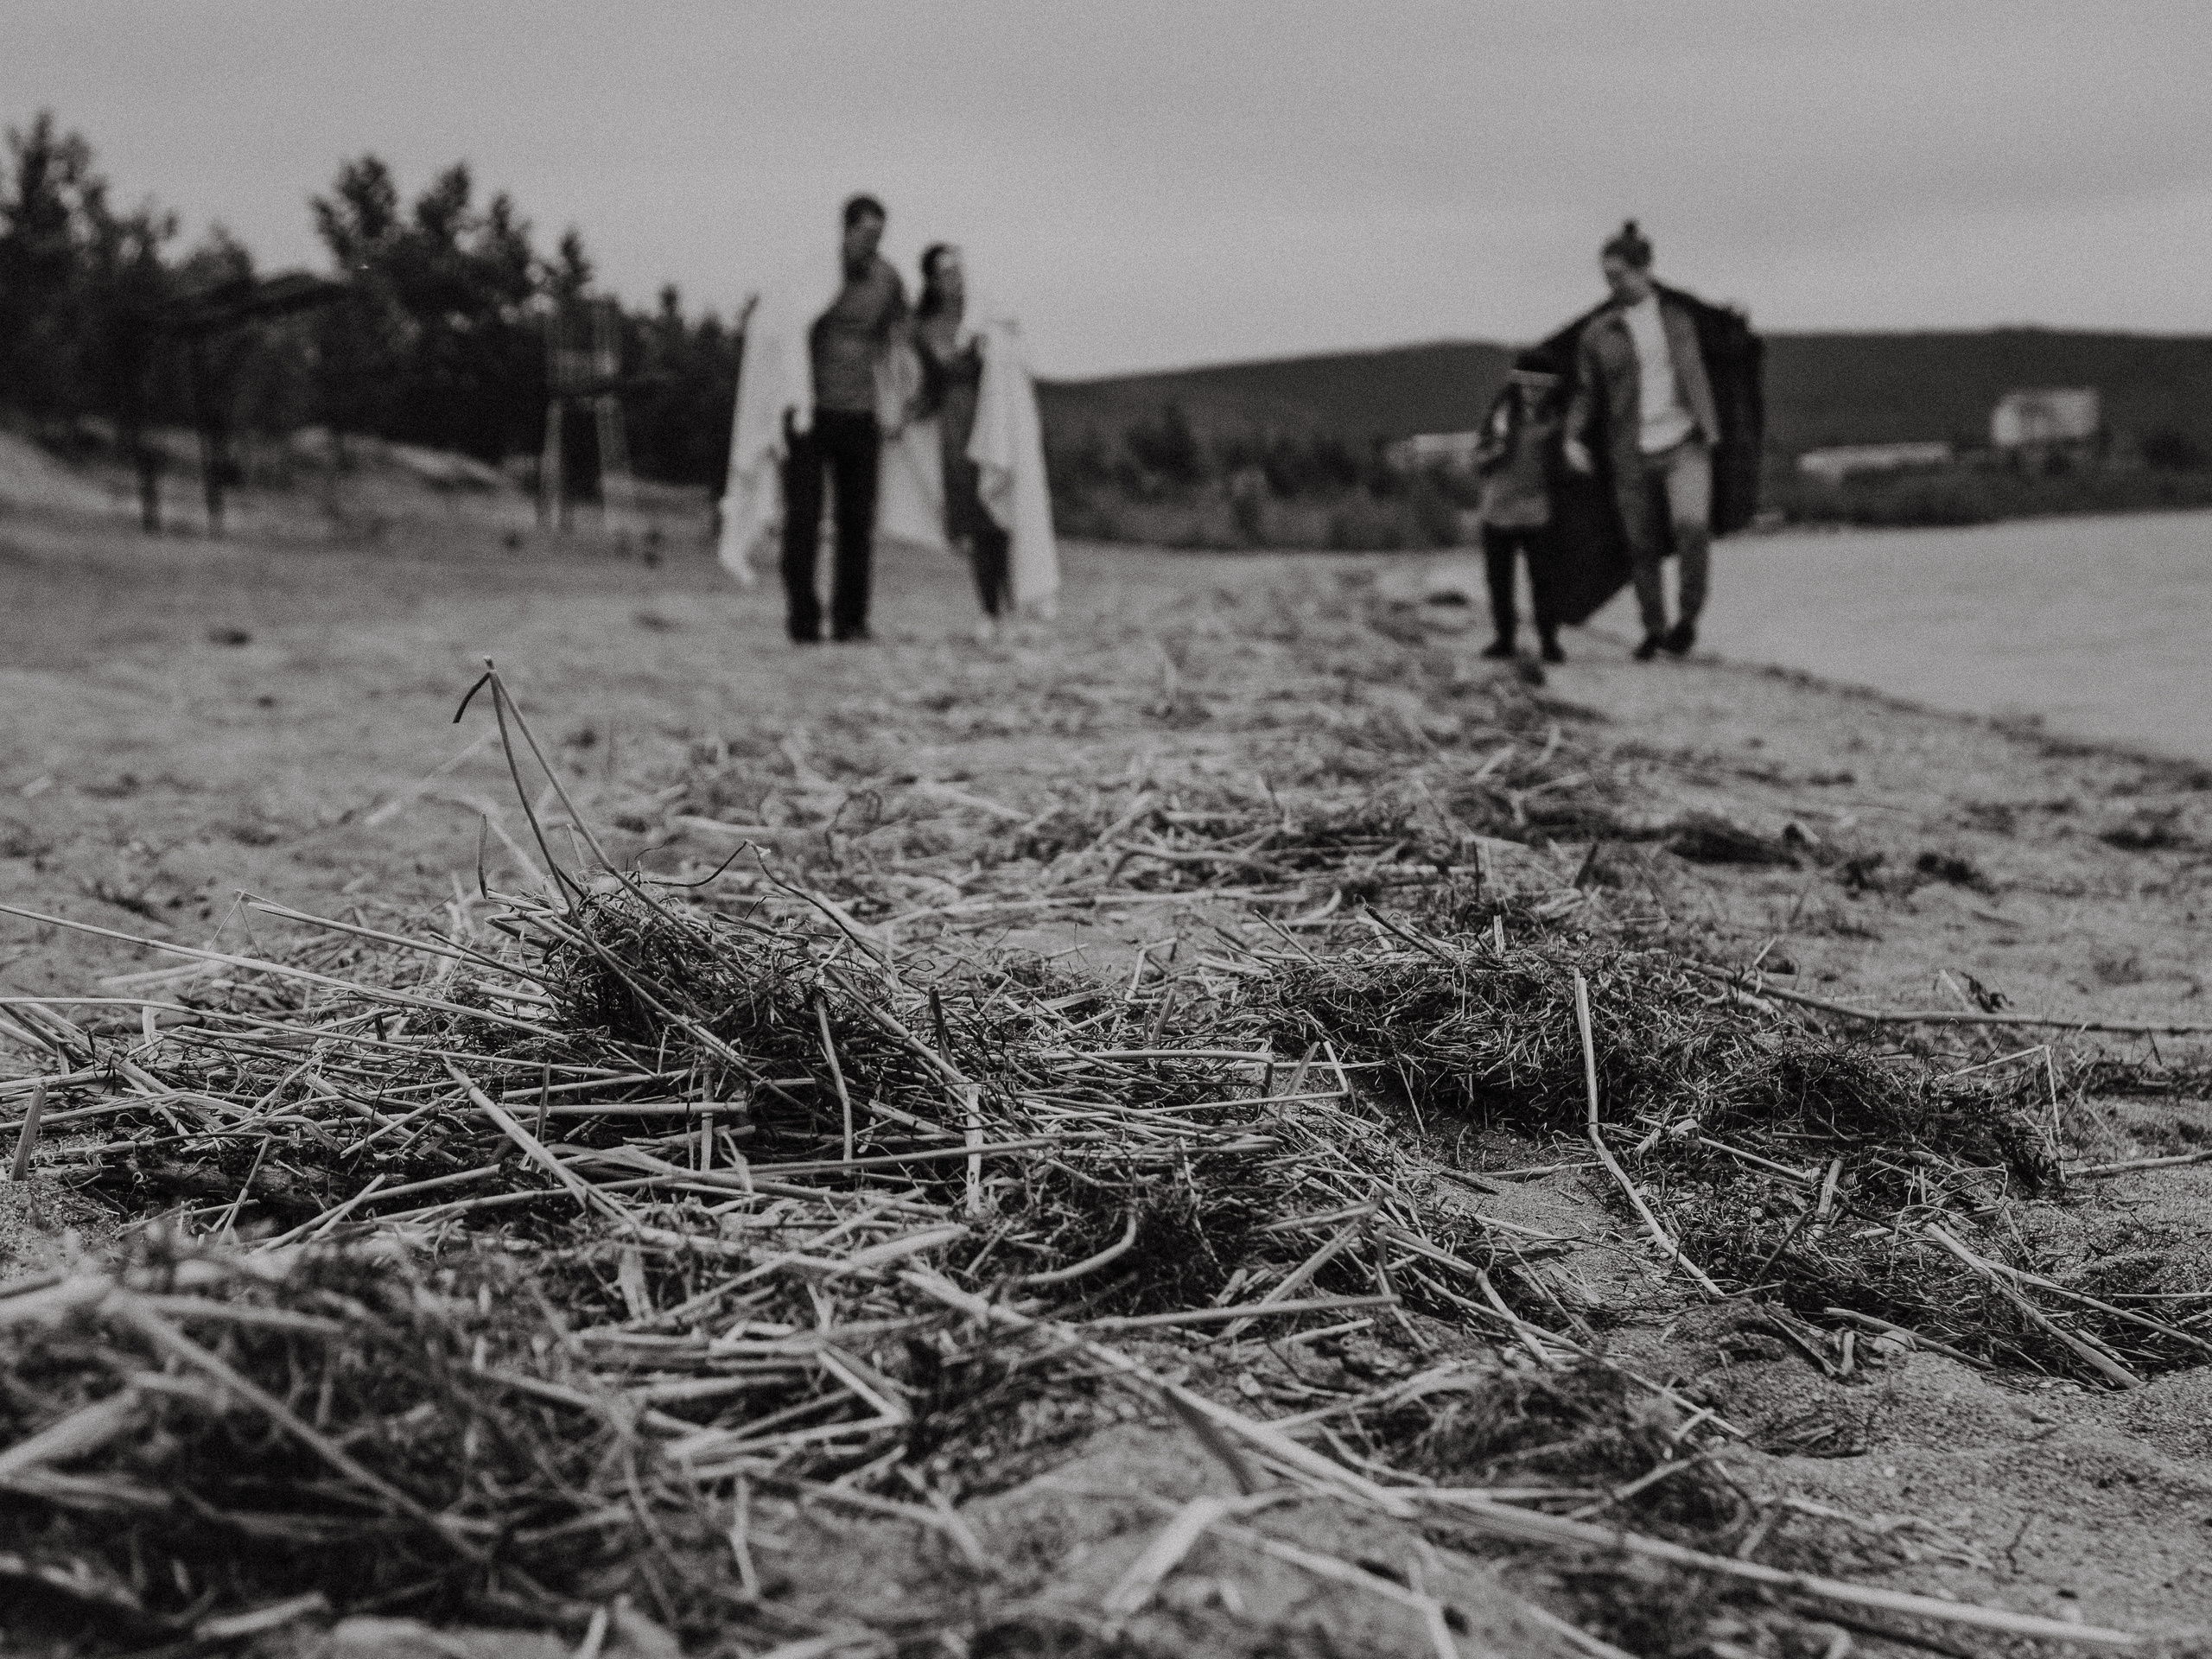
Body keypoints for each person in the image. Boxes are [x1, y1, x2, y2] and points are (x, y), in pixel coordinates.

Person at [715, 195, 909, 644]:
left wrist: (894, 401)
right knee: (803, 520)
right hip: (809, 416)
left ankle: (851, 620)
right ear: (845, 229)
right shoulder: (814, 274)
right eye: (865, 233)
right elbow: (781, 332)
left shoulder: (888, 280)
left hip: (861, 414)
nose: (872, 244)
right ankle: (803, 619)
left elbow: (894, 342)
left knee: (856, 523)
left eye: (879, 235)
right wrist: (787, 400)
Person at [1561, 219, 1720, 661]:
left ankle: (1687, 621)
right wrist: (1572, 439)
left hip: (1685, 442)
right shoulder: (1598, 333)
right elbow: (1586, 393)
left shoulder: (1681, 317)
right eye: (1606, 277)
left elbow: (1727, 357)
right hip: (1630, 451)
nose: (1611, 284)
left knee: (1692, 527)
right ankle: (1654, 628)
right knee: (1640, 546)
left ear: (1645, 268)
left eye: (1618, 275)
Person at [1471, 349, 1567, 664]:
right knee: (1500, 581)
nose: (1533, 393)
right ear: (1518, 385)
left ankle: (1549, 641)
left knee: (1545, 579)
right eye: (1528, 386)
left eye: (1540, 388)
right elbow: (1478, 458)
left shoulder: (1558, 420)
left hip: (1538, 509)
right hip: (1497, 508)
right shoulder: (1500, 417)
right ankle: (1504, 639)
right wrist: (1491, 452)